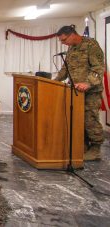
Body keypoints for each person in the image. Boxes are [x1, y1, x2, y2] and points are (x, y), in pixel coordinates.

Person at [54, 25, 105, 161]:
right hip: (75, 91)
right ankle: (82, 146)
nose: (62, 43)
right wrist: (55, 81)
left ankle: (95, 149)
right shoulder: (72, 48)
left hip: (91, 91)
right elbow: (66, 68)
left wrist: (87, 83)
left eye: (64, 40)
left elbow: (98, 67)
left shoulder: (91, 45)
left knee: (90, 119)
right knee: (77, 119)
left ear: (72, 35)